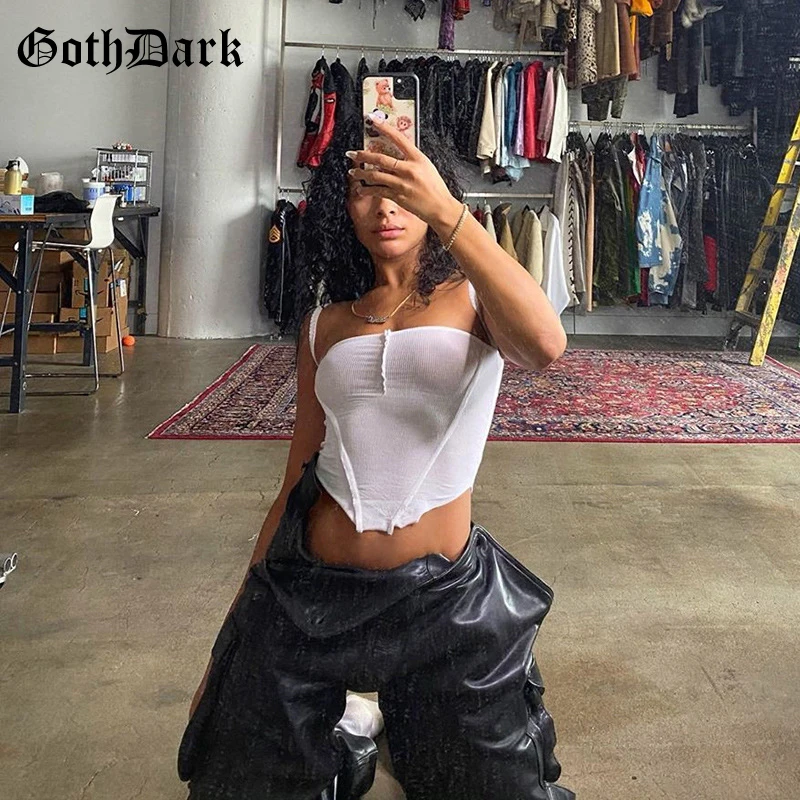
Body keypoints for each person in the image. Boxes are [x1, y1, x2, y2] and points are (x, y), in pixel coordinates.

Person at [177, 111, 575, 800]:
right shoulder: (323, 326)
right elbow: (296, 477)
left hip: (444, 602)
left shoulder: (476, 298)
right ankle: (353, 735)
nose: (386, 206)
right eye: (365, 188)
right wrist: (233, 635)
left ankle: (383, 721)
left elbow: (546, 345)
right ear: (343, 207)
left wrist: (447, 211)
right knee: (232, 778)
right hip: (311, 594)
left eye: (401, 186)